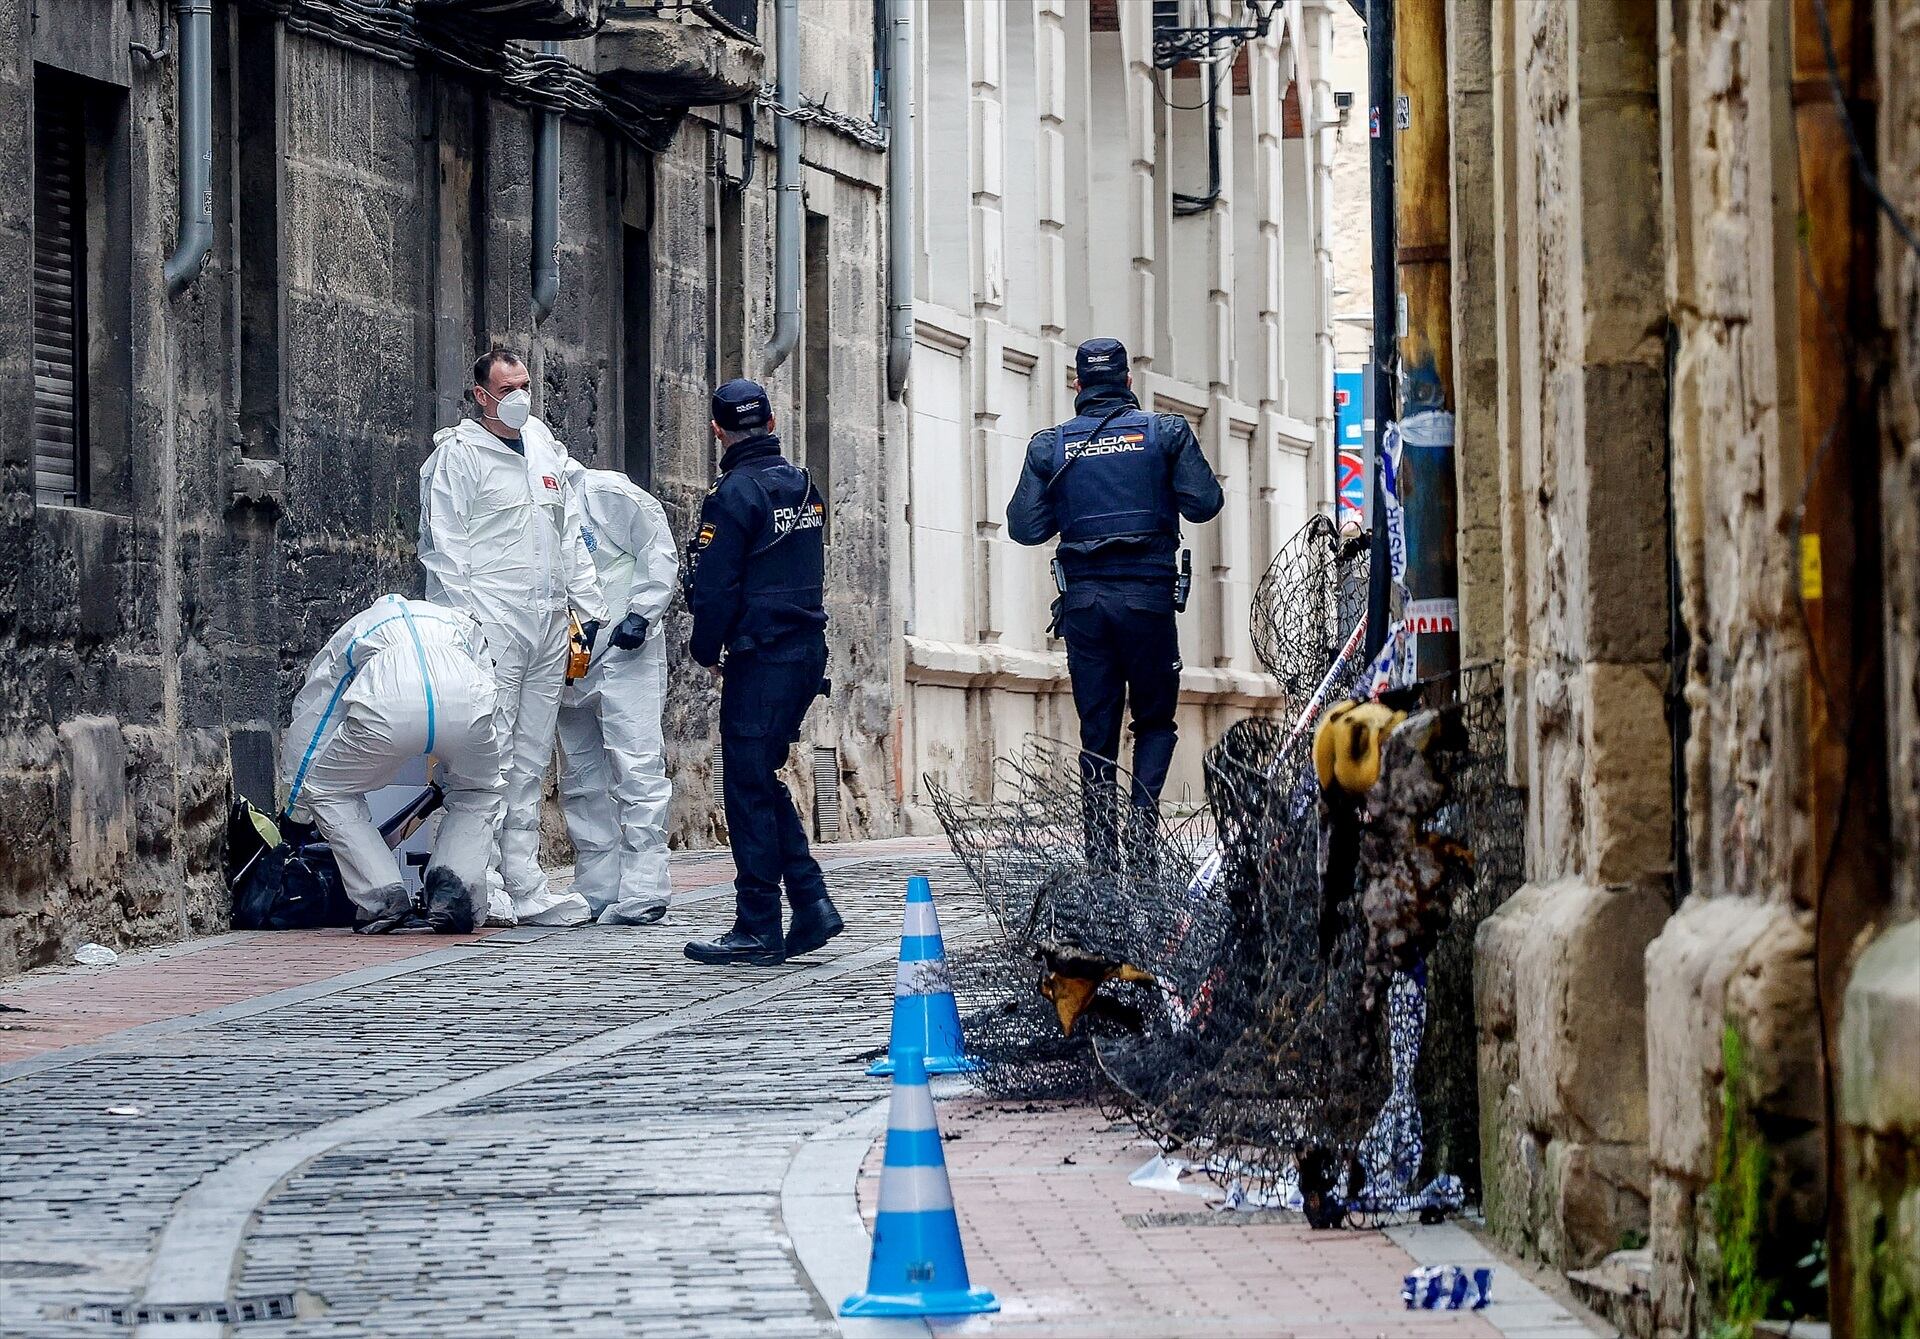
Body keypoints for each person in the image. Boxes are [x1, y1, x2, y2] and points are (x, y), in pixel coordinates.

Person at [1006, 337, 1224, 868]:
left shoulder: (1050, 447)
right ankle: (1144, 842)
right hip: (1148, 603)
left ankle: (1102, 858)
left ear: (1077, 386)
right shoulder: (1165, 434)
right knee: (1154, 722)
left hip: (1085, 608)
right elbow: (1205, 504)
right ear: (1129, 381)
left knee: (1096, 732)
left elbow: (1025, 527)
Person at [418, 349, 606, 927]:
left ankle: (524, 880)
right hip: (493, 619)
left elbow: (568, 531)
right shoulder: (458, 457)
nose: (520, 396)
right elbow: (446, 549)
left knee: (529, 753)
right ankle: (482, 880)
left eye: (525, 385)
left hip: (548, 619)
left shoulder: (544, 448)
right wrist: (464, 627)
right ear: (481, 394)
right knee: (488, 752)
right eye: (507, 388)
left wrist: (587, 605)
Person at [680, 378, 844, 966]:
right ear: (772, 425)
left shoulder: (733, 496)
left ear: (718, 432)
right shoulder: (802, 485)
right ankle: (810, 901)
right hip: (806, 651)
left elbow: (717, 588)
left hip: (764, 656)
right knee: (760, 776)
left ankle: (757, 924)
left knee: (747, 786)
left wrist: (704, 649)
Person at [281, 595, 502, 934]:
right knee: (479, 791)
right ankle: (452, 889)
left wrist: (297, 808)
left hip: (388, 710)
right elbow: (488, 689)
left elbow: (316, 716)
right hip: (467, 706)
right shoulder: (459, 624)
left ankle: (383, 896)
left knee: (327, 792)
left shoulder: (357, 629)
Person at [555, 457, 680, 925]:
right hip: (568, 658)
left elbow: (656, 545)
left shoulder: (603, 494)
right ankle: (598, 885)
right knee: (582, 775)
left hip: (627, 652)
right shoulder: (527, 510)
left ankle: (645, 885)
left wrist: (643, 611)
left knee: (636, 765)